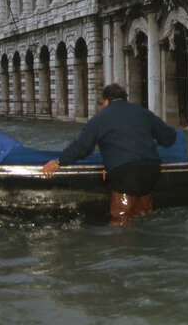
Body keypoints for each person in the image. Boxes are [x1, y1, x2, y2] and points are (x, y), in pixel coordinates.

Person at [41, 83, 177, 225]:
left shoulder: (100, 118)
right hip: (151, 169)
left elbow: (82, 146)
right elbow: (169, 137)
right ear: (125, 99)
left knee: (120, 221)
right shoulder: (143, 113)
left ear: (106, 102)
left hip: (125, 173)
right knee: (143, 216)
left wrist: (58, 162)